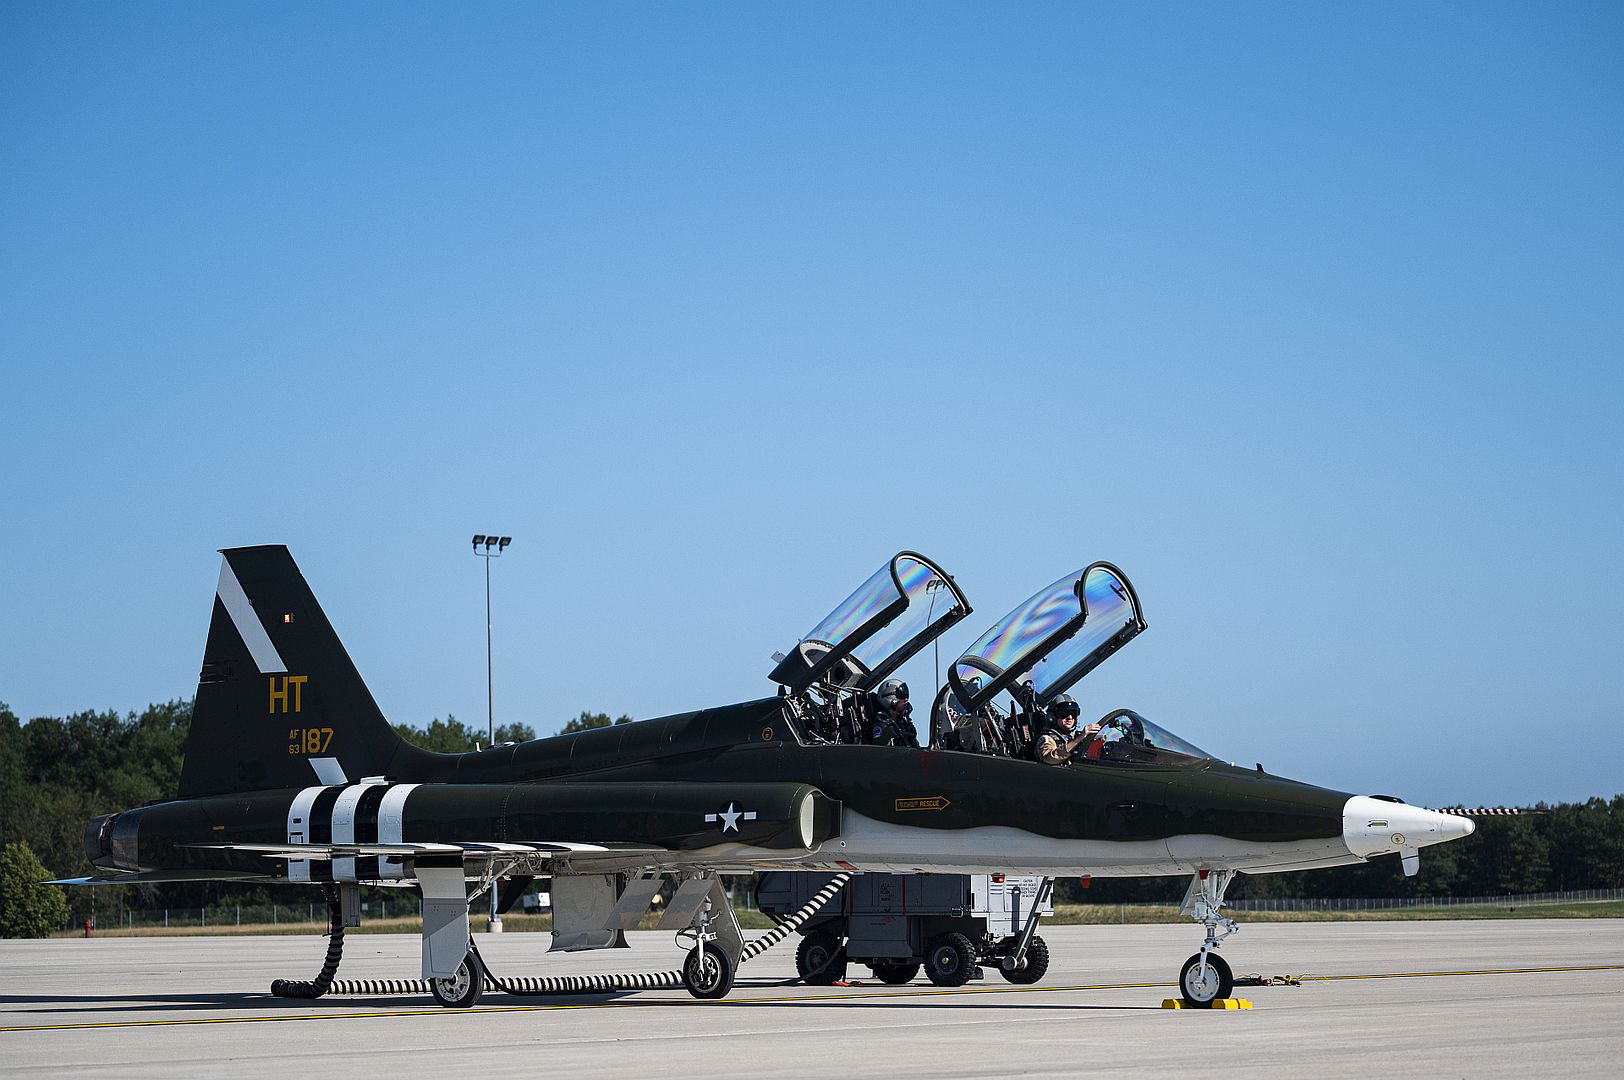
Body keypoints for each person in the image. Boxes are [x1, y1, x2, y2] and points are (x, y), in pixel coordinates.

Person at [1034, 694, 1099, 765]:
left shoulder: (1070, 738)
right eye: (1064, 713)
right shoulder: (1046, 738)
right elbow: (1051, 759)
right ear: (1052, 717)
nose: (1070, 717)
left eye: (1073, 713)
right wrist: (1078, 739)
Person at [871, 679, 920, 748]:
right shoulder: (882, 724)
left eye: (906, 695)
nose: (906, 699)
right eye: (902, 695)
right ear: (890, 697)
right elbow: (881, 752)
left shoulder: (902, 722)